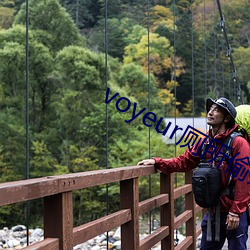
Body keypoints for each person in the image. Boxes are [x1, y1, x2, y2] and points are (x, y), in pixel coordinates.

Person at [138, 97, 250, 250]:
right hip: (213, 210)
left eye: (216, 110)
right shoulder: (205, 141)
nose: (210, 112)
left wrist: (236, 212)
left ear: (227, 118)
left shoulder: (238, 143)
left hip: (233, 210)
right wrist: (158, 162)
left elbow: (244, 180)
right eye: (210, 109)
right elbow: (185, 161)